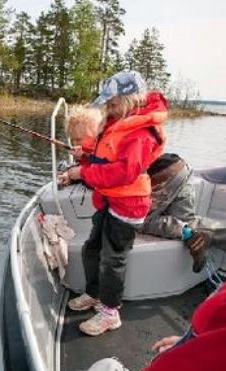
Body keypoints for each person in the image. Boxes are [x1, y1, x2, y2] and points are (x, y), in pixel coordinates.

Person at [61, 135, 226, 371]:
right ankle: (212, 235)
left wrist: (77, 172)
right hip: (178, 169)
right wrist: (192, 343)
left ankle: (185, 231)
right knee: (189, 219)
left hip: (163, 177)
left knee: (136, 217)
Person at [58, 71, 168, 336]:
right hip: (109, 200)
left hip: (128, 206)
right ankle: (94, 294)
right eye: (107, 103)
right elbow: (104, 160)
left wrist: (82, 173)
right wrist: (85, 157)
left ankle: (110, 313)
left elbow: (122, 173)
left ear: (131, 99)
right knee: (91, 249)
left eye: (114, 103)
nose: (109, 108)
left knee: (113, 260)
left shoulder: (142, 134)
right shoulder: (116, 123)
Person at [143, 153, 226, 271]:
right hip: (179, 167)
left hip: (161, 175)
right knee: (186, 219)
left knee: (136, 219)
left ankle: (188, 233)